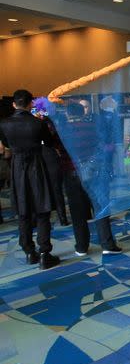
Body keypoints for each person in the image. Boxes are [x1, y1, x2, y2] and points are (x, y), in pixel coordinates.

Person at [0, 90, 59, 269]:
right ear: (31, 104)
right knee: (43, 210)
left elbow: (7, 144)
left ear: (13, 104)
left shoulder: (4, 124)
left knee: (23, 212)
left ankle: (28, 252)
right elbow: (49, 143)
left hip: (17, 167)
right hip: (37, 167)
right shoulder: (38, 123)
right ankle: (44, 253)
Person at [61, 103, 122, 256]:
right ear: (83, 113)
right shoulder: (92, 128)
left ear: (68, 114)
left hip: (73, 175)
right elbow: (104, 146)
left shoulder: (62, 131)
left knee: (77, 213)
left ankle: (81, 247)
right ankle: (107, 244)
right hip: (96, 174)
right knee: (101, 208)